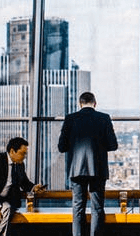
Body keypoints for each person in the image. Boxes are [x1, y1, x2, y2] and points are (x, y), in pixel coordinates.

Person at [58, 92, 118, 236]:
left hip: (76, 169)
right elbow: (113, 145)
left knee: (78, 206)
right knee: (97, 207)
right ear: (95, 103)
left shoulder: (70, 119)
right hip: (97, 169)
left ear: (80, 104)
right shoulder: (104, 118)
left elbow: (61, 147)